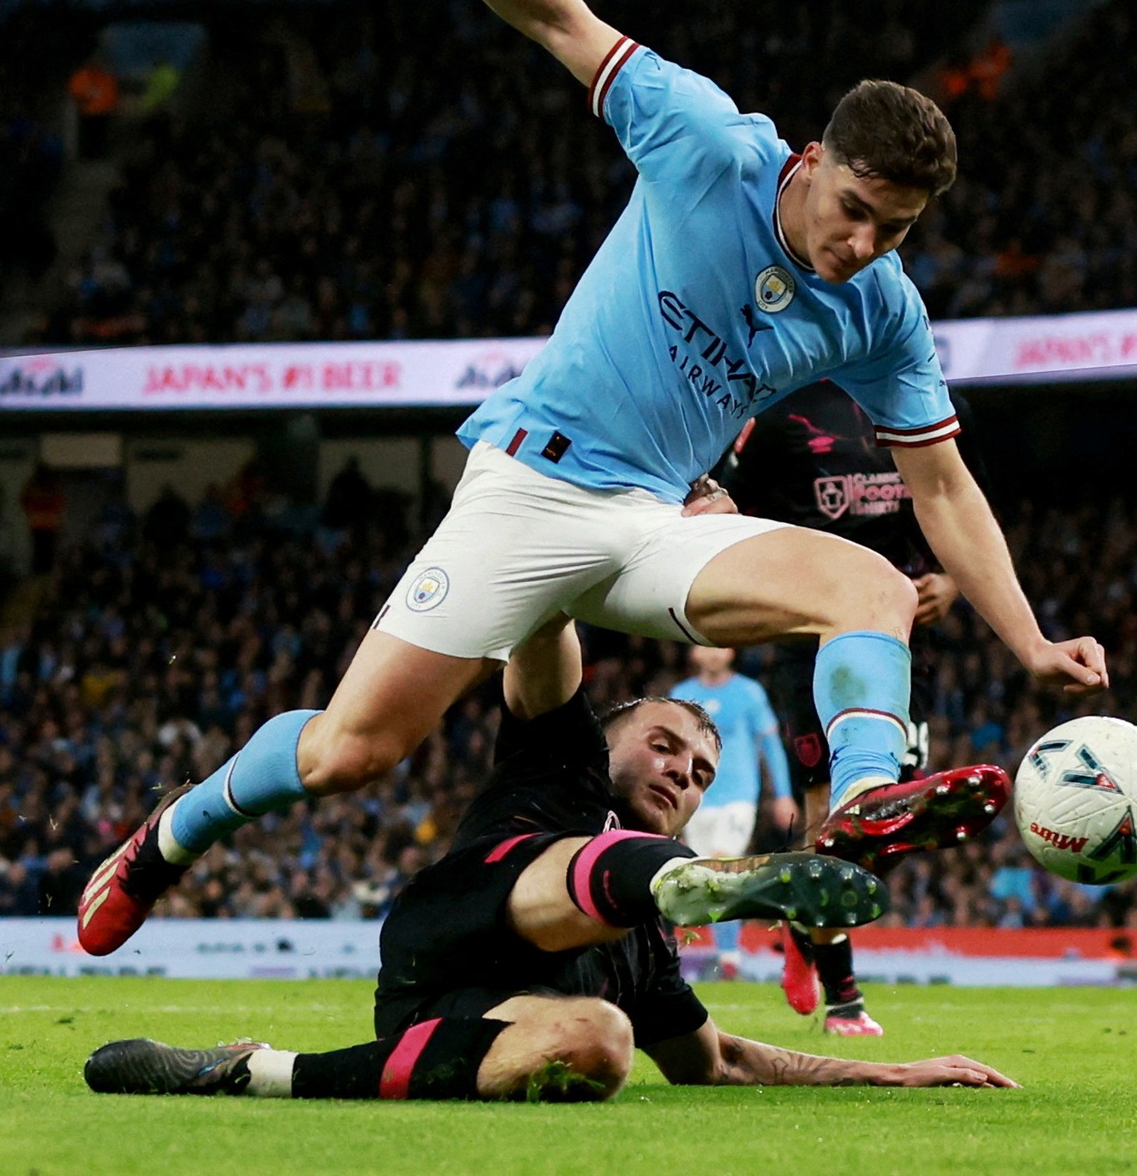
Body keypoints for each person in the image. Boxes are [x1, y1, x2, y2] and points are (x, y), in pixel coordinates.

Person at [76, 0, 1108, 959]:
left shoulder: (880, 309)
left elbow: (940, 482)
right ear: (811, 160)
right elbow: (556, 17)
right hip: (531, 489)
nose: (861, 246)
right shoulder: (704, 142)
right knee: (350, 753)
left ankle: (857, 809)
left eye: (894, 230)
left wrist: (1030, 638)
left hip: (653, 525)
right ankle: (168, 832)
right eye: (853, 210)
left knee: (869, 583)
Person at [83, 620, 1013, 1102]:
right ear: (612, 736)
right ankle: (726, 880)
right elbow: (544, 629)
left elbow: (715, 1062)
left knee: (600, 1041)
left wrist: (896, 1072)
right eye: (664, 745)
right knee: (614, 866)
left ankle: (255, 1071)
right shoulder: (558, 753)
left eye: (698, 775)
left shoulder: (648, 945)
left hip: (454, 1020)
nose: (680, 774)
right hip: (453, 916)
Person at [726, 378, 962, 1035]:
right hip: (808, 637)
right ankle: (846, 995)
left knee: (882, 819)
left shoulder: (919, 398)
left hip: (900, 636)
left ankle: (805, 922)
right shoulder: (778, 418)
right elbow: (733, 520)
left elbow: (956, 503)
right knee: (832, 817)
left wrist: (952, 579)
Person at [668, 646, 795, 978]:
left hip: (739, 796)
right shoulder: (682, 695)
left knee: (722, 867)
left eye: (718, 646)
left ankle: (729, 960)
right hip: (697, 797)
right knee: (706, 877)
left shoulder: (748, 693)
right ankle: (726, 954)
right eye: (703, 646)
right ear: (693, 652)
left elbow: (770, 746)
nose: (711, 654)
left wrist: (783, 795)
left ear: (730, 652)